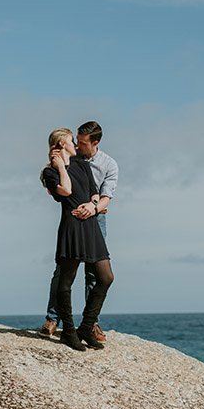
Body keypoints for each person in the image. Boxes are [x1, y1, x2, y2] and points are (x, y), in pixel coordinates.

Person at [40, 121, 118, 342]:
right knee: (64, 275)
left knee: (101, 275)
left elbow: (101, 193)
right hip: (73, 224)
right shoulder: (53, 170)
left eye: (81, 142)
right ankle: (56, 320)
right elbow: (65, 191)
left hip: (94, 220)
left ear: (94, 143)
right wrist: (60, 165)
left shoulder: (106, 164)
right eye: (74, 141)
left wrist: (93, 206)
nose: (78, 144)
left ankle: (89, 324)